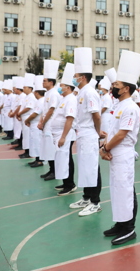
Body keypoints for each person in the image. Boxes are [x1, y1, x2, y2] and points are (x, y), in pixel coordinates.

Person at [100, 50, 140, 245]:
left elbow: (122, 134)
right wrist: (105, 146)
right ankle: (120, 223)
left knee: (125, 190)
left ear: (126, 88)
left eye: (116, 85)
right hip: (113, 152)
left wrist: (106, 148)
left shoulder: (130, 107)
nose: (113, 87)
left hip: (123, 153)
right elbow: (112, 130)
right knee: (117, 190)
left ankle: (129, 228)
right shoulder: (118, 105)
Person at [68, 48, 103, 217]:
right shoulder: (81, 92)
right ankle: (87, 197)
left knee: (92, 167)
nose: (74, 78)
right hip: (82, 133)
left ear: (83, 77)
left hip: (89, 134)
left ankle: (95, 202)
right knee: (84, 166)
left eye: (76, 75)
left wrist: (97, 132)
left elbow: (96, 115)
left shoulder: (89, 92)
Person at [52, 64, 78, 196]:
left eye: (61, 85)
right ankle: (66, 182)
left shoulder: (71, 99)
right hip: (59, 134)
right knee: (63, 158)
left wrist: (63, 136)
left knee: (66, 158)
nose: (59, 87)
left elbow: (69, 119)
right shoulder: (64, 99)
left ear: (68, 87)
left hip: (65, 134)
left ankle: (70, 184)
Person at [39, 60, 61, 181]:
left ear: (51, 82)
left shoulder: (54, 94)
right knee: (47, 148)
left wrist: (42, 122)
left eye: (45, 80)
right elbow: (44, 110)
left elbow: (51, 110)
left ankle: (54, 171)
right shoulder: (48, 93)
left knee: (51, 149)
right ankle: (51, 170)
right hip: (46, 124)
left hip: (51, 124)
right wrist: (41, 121)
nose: (43, 82)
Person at [25, 76, 45, 168]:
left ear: (36, 93)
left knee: (38, 143)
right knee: (35, 143)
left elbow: (35, 113)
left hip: (37, 125)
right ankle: (37, 159)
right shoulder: (41, 101)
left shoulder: (41, 101)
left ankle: (39, 160)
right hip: (35, 124)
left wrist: (27, 120)